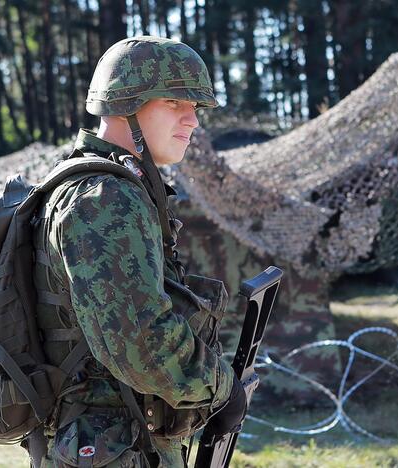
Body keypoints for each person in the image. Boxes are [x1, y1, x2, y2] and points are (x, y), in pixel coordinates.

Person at [28, 36, 246, 467]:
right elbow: (142, 343)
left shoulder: (111, 186)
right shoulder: (104, 199)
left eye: (195, 108)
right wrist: (222, 386)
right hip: (108, 445)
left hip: (111, 441)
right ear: (127, 104)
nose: (192, 121)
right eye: (173, 103)